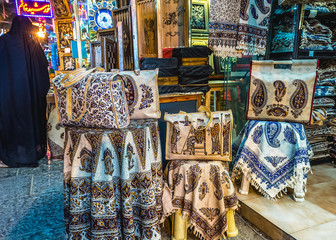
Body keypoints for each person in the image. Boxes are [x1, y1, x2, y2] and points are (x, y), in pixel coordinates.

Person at [0, 16, 50, 167]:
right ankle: (32, 152)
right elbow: (43, 76)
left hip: (8, 98)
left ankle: (11, 154)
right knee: (31, 122)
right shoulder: (34, 46)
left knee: (11, 123)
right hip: (30, 100)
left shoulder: (2, 42)